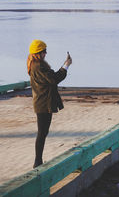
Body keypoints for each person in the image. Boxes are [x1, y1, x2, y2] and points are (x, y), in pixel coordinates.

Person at [27, 39, 72, 168]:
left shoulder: (37, 64)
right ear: (38, 53)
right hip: (43, 103)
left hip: (43, 103)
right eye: (44, 51)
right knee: (42, 133)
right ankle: (37, 162)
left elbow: (51, 78)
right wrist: (66, 65)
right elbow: (54, 79)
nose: (46, 53)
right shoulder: (38, 66)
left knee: (43, 132)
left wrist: (65, 66)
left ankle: (38, 161)